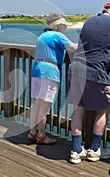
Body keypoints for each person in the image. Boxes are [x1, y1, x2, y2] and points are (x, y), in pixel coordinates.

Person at [66, 0, 110, 163]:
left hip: (75, 70)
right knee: (103, 109)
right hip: (96, 72)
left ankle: (76, 150)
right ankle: (94, 150)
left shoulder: (89, 20)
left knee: (78, 110)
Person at [28, 13, 77, 144]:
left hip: (37, 69)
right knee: (45, 105)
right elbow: (74, 48)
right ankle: (41, 135)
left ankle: (32, 132)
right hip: (50, 72)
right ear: (57, 26)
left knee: (37, 103)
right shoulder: (58, 36)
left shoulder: (42, 36)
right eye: (63, 25)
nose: (65, 28)